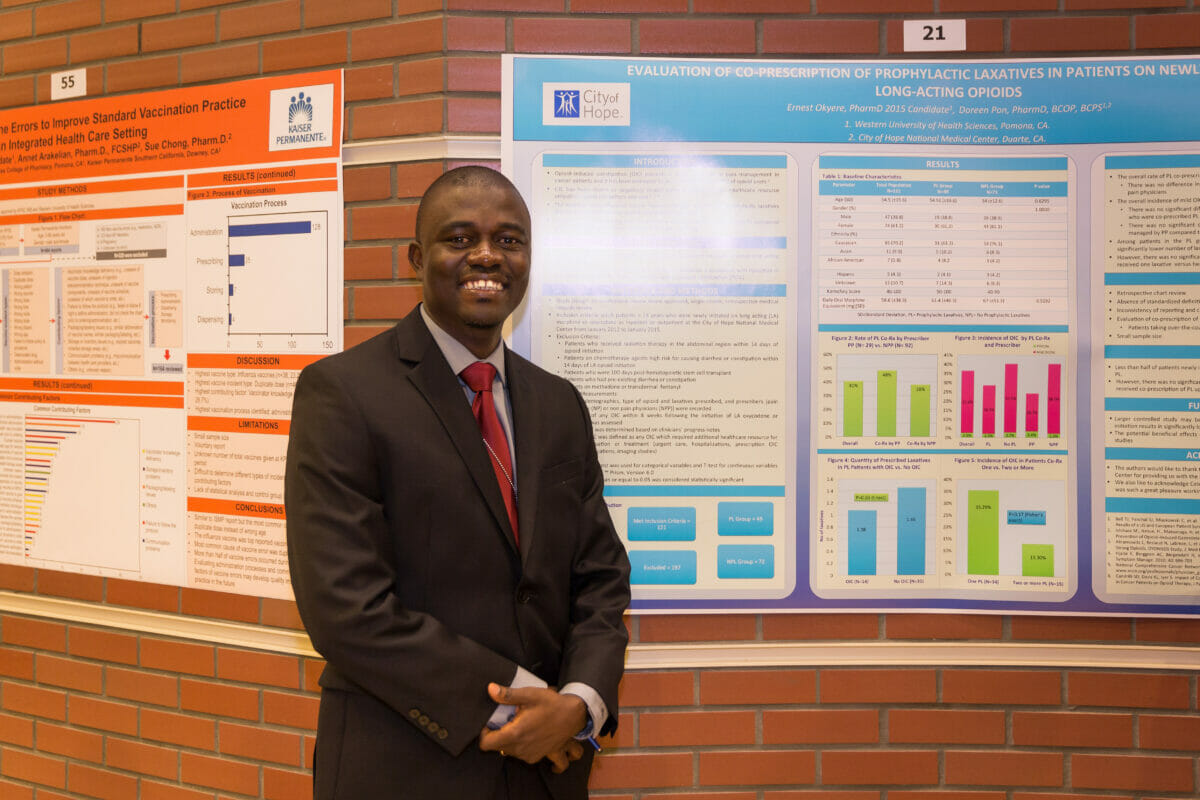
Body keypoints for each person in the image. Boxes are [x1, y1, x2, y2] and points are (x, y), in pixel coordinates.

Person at [285, 165, 631, 799]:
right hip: (406, 767)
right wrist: (520, 710)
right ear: (417, 257)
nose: (487, 256)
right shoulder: (342, 394)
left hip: (548, 774)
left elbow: (601, 578)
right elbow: (344, 607)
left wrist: (578, 706)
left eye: (509, 240)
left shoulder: (559, 404)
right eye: (460, 237)